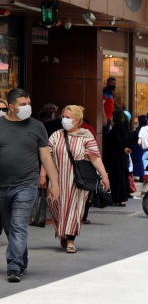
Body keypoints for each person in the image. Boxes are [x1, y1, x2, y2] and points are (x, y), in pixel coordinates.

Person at [0, 89, 61, 282]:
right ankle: (21, 259)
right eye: (22, 104)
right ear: (11, 107)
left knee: (18, 226)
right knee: (10, 228)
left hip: (26, 184)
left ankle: (14, 266)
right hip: (1, 185)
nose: (27, 107)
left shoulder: (37, 127)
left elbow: (45, 156)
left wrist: (54, 183)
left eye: (28, 103)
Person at [44, 106, 110, 254]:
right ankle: (63, 233)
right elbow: (46, 157)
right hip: (57, 180)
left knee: (74, 210)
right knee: (56, 208)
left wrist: (104, 175)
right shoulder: (56, 135)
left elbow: (95, 158)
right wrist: (43, 175)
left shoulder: (86, 136)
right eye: (64, 117)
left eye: (68, 117)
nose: (64, 120)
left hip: (77, 181)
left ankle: (71, 240)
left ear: (77, 120)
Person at [104, 110, 133, 206]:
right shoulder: (126, 128)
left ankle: (116, 198)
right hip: (123, 158)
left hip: (115, 158)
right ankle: (123, 198)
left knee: (116, 179)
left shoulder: (116, 128)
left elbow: (116, 142)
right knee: (123, 178)